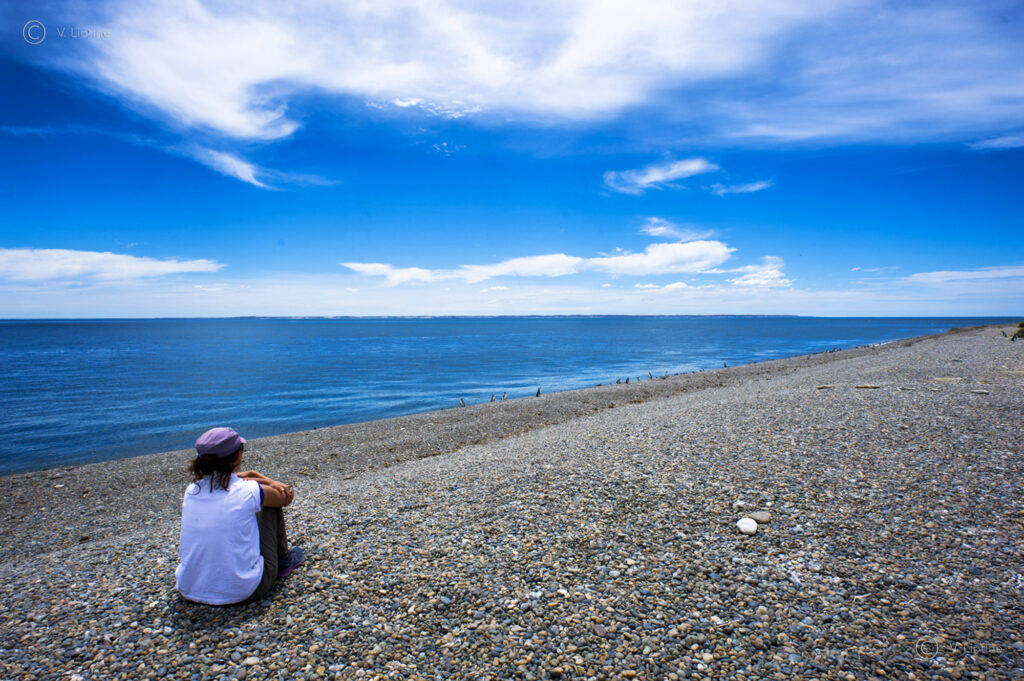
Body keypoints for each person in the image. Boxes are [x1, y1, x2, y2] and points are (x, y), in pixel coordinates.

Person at [176, 427, 304, 605]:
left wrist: (251, 475)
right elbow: (285, 497)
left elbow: (225, 482)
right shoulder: (249, 491)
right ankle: (284, 559)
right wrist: (268, 481)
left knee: (257, 502)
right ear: (236, 456)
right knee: (269, 503)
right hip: (245, 591)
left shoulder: (192, 491)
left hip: (189, 589)